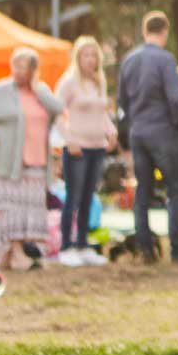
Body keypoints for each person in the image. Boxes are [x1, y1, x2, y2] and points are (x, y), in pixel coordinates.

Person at [0, 48, 65, 271]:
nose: (17, 71)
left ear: (33, 70)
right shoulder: (4, 90)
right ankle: (17, 255)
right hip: (10, 163)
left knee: (30, 211)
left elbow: (58, 108)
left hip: (37, 162)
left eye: (23, 67)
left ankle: (8, 256)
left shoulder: (41, 93)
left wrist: (38, 88)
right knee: (11, 211)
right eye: (15, 66)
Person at [118, 11, 178, 264]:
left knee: (143, 191)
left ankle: (145, 248)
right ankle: (177, 248)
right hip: (164, 132)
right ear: (165, 31)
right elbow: (175, 98)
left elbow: (122, 102)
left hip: (138, 131)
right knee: (176, 190)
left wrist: (131, 129)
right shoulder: (165, 59)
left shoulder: (129, 60)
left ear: (144, 31)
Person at [53, 36, 116, 265]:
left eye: (93, 55)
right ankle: (66, 246)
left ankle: (82, 244)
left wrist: (111, 131)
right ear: (78, 58)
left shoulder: (99, 82)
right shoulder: (69, 82)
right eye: (85, 55)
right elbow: (56, 113)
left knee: (89, 197)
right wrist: (69, 139)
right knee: (74, 196)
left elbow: (103, 113)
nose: (90, 60)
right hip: (77, 148)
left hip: (97, 147)